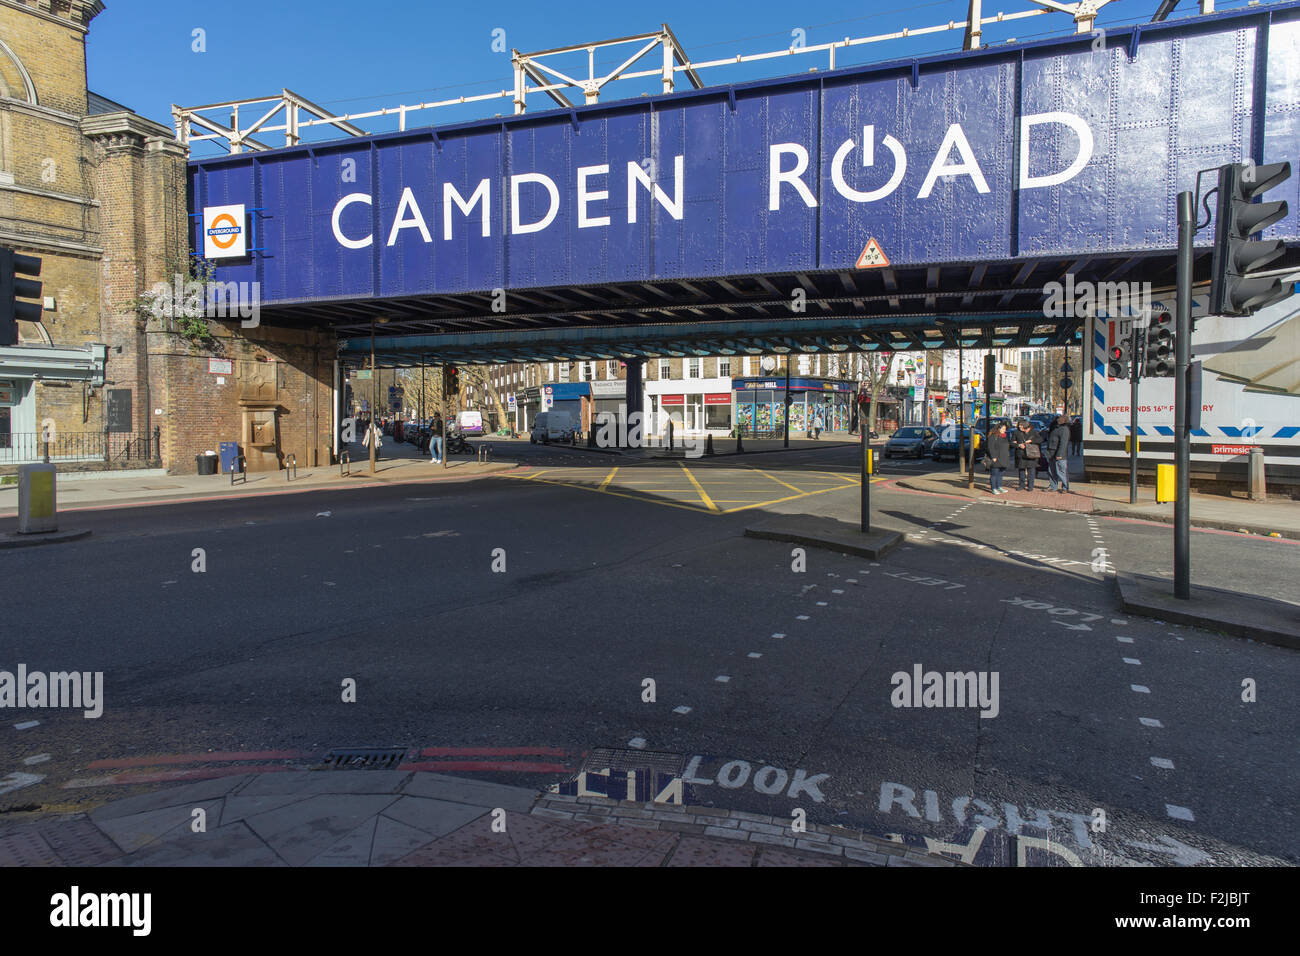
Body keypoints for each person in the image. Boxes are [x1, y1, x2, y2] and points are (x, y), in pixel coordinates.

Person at [1010, 419, 1042, 491]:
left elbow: (1040, 440)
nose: (1020, 427)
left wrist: (1031, 441)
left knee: (1031, 471)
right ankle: (1021, 485)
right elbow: (1011, 443)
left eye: (1021, 426)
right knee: (1021, 470)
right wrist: (1018, 445)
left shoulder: (1033, 432)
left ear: (1026, 426)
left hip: (1031, 454)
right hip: (1021, 454)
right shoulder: (1016, 432)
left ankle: (1030, 486)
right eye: (1019, 426)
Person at [1045, 413, 1072, 494]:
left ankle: (1065, 487)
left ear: (1064, 420)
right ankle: (1053, 486)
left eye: (1060, 418)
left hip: (1059, 454)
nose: (1058, 419)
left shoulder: (1064, 429)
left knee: (1061, 471)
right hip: (1051, 452)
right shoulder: (1055, 427)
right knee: (1051, 470)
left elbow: (1063, 443)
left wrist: (1059, 454)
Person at [985, 422, 1011, 494]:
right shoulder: (993, 436)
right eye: (1003, 429)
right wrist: (993, 457)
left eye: (1005, 429)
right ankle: (993, 488)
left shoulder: (1005, 436)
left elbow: (1008, 445)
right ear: (998, 429)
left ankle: (999, 486)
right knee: (994, 473)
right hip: (996, 458)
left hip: (1004, 458)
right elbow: (990, 447)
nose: (1004, 430)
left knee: (1000, 474)